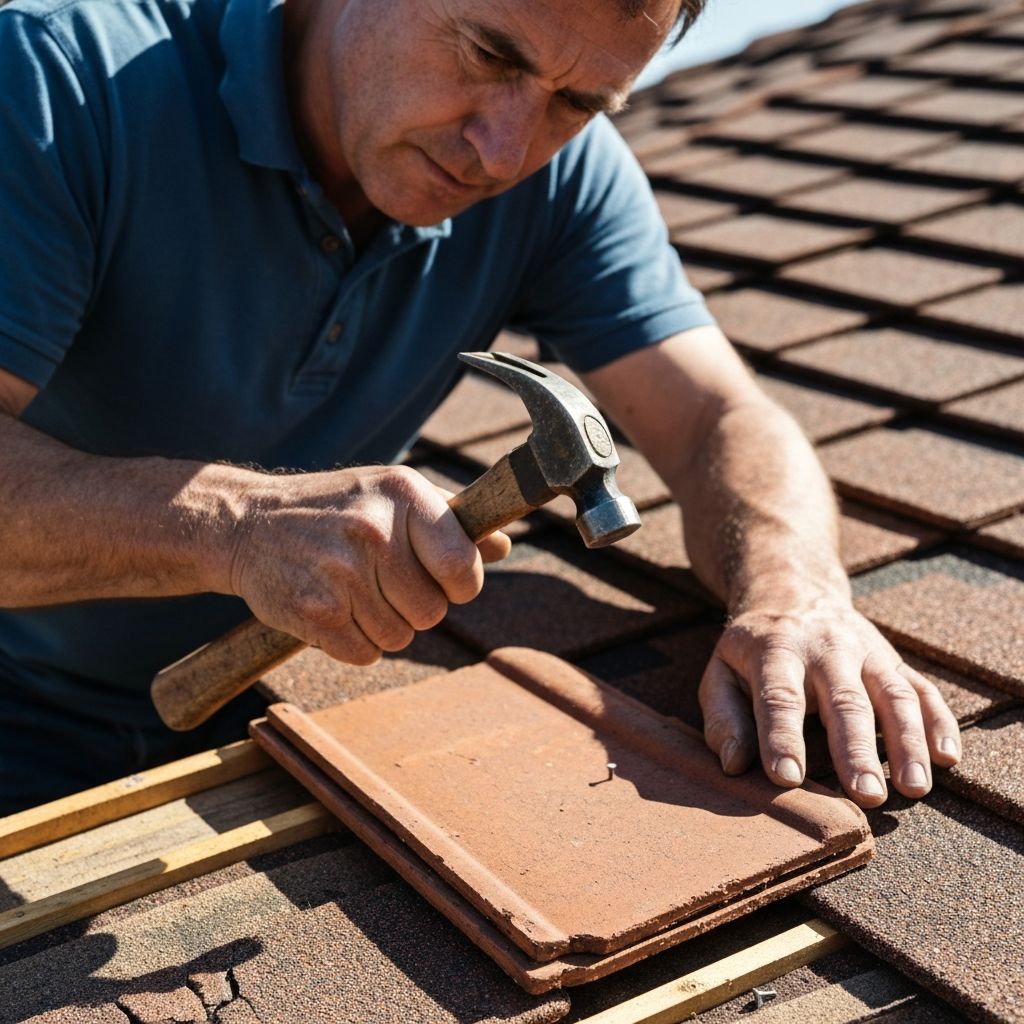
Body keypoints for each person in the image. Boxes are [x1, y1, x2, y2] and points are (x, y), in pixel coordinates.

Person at [0, 0, 961, 815]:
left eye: (577, 102)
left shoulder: (563, 181)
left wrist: (794, 589)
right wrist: (231, 526)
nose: (504, 149)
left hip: (259, 719)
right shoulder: (55, 82)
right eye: (489, 53)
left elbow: (720, 418)